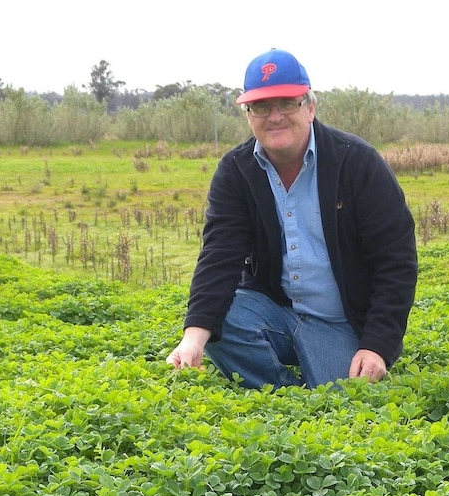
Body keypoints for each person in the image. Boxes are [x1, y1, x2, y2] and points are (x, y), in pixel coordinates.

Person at [166, 48, 417, 389]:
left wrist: (377, 346)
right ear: (248, 114)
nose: (274, 116)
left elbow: (396, 260)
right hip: (276, 310)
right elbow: (220, 254)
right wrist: (193, 339)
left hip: (342, 321)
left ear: (310, 107)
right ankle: (283, 396)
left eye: (287, 103)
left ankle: (318, 385)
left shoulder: (357, 162)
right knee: (217, 321)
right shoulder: (236, 170)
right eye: (261, 106)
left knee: (342, 398)